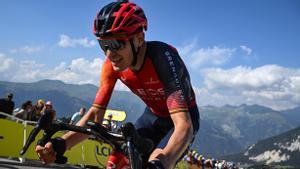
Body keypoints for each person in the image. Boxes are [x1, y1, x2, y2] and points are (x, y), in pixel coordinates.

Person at [35, 1, 199, 169]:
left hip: (182, 118)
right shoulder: (111, 66)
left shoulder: (162, 58)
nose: (109, 53)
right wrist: (61, 144)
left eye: (115, 44)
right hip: (152, 116)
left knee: (156, 159)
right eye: (103, 45)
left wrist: (161, 164)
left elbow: (183, 125)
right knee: (117, 159)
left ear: (139, 39)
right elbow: (95, 116)